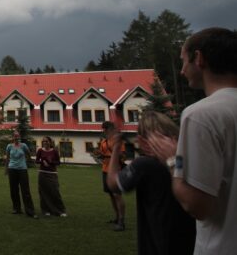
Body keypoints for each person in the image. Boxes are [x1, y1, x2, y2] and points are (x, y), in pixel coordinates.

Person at [148, 28, 237, 255]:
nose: (181, 70)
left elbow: (197, 205)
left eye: (183, 61)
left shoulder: (202, 115)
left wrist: (171, 159)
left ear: (199, 58)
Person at [106, 110, 195, 255]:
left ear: (143, 141)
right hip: (191, 244)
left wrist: (116, 147)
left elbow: (113, 184)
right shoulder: (186, 160)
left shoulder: (144, 165)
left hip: (156, 246)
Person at [96, 121, 126, 231]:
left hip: (116, 170)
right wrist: (100, 154)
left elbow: (121, 155)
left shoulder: (117, 141)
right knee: (111, 195)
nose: (103, 131)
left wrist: (109, 155)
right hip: (105, 169)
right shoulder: (104, 141)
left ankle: (122, 221)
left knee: (117, 195)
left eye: (104, 129)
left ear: (109, 129)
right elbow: (103, 153)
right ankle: (117, 217)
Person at [4, 131, 37, 218]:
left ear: (19, 137)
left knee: (25, 191)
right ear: (12, 137)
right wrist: (6, 169)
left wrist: (26, 161)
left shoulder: (24, 146)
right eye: (15, 136)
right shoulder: (9, 146)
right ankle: (16, 209)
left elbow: (29, 155)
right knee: (13, 190)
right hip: (12, 169)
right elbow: (7, 158)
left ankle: (30, 211)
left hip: (22, 169)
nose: (16, 137)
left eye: (18, 136)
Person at [36, 136, 67, 217]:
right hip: (42, 174)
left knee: (55, 192)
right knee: (43, 193)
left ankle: (60, 211)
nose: (45, 143)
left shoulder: (54, 151)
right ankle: (46, 210)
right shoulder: (40, 150)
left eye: (46, 141)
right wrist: (42, 162)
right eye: (43, 141)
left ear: (50, 142)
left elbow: (58, 162)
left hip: (52, 174)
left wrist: (50, 162)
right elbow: (36, 161)